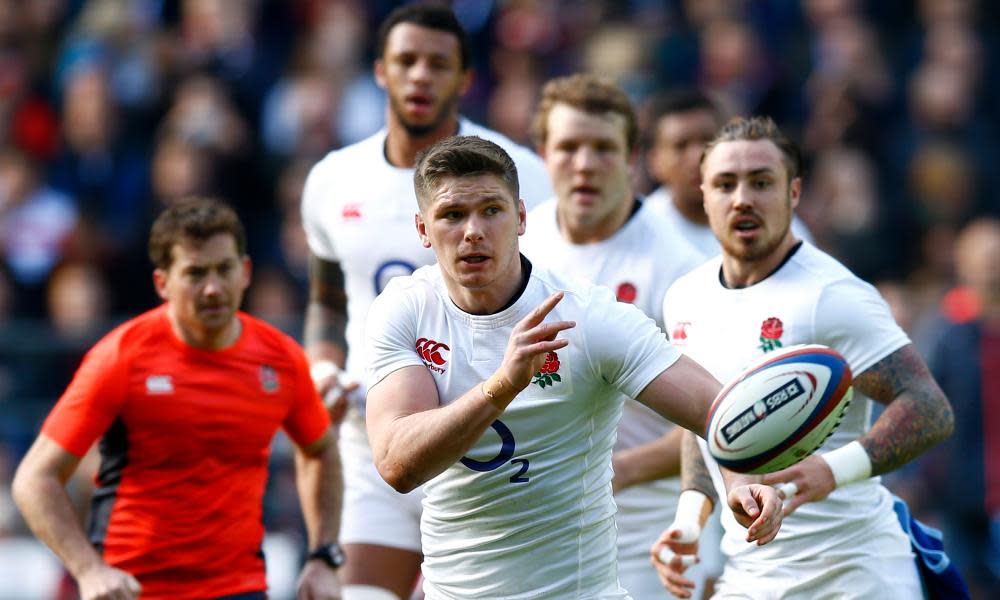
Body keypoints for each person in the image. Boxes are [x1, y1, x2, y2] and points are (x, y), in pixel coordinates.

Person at [363, 135, 783, 599]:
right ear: (423, 228)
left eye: (491, 210)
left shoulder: (588, 317)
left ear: (521, 217)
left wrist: (742, 478)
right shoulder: (405, 310)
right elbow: (397, 464)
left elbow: (717, 410)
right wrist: (502, 386)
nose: (473, 232)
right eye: (452, 215)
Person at [299, 5, 553, 600]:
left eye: (438, 64)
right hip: (374, 434)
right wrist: (320, 363)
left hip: (488, 435)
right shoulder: (334, 179)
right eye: (406, 61)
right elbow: (327, 298)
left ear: (465, 80)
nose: (420, 76)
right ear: (380, 72)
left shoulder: (526, 177)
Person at [652, 116, 955, 599]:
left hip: (855, 573)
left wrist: (830, 472)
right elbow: (712, 423)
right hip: (749, 576)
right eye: (726, 184)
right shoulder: (684, 298)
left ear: (794, 194)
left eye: (762, 182)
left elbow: (929, 407)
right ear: (703, 194)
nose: (743, 198)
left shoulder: (832, 295)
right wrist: (690, 518)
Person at [11, 197, 343, 600]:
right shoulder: (120, 357)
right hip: (133, 588)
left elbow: (321, 450)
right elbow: (34, 479)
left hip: (240, 588)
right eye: (195, 273)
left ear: (246, 272)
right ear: (162, 283)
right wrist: (88, 570)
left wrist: (323, 556)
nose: (213, 288)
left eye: (225, 269)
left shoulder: (281, 358)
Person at [519, 73, 704, 597]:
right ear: (542, 154)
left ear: (631, 157)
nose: (584, 164)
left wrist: (614, 471)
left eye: (603, 148)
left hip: (646, 527)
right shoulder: (517, 246)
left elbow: (715, 417)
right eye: (568, 147)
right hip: (534, 519)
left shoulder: (680, 270)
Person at [644, 88, 811, 256]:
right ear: (654, 161)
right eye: (681, 146)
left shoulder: (776, 222)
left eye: (708, 140)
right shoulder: (643, 232)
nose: (697, 157)